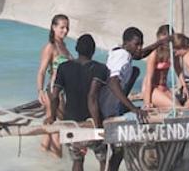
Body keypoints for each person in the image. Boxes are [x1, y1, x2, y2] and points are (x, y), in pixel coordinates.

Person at [100, 26, 171, 171]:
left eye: (141, 44)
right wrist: (133, 108)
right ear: (126, 43)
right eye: (137, 44)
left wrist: (159, 43)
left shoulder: (120, 50)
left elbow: (139, 55)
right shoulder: (123, 56)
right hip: (109, 106)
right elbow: (113, 83)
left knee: (136, 70)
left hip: (110, 102)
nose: (140, 48)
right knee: (117, 150)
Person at [45, 34, 108, 171]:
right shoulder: (100, 68)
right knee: (103, 160)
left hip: (71, 124)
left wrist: (52, 117)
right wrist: (98, 126)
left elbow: (55, 95)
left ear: (76, 49)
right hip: (92, 123)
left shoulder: (63, 67)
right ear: (93, 50)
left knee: (77, 159)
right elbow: (92, 97)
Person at [36, 14, 73, 157]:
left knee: (49, 126)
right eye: (62, 27)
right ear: (53, 27)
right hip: (54, 91)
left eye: (67, 28)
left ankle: (44, 162)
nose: (65, 31)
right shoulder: (50, 47)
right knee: (58, 128)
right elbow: (41, 72)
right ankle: (57, 163)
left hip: (61, 91)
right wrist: (40, 91)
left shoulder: (63, 46)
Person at [141, 24, 178, 109]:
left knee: (179, 106)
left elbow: (178, 69)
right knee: (175, 107)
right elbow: (149, 80)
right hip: (152, 88)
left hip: (163, 87)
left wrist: (183, 84)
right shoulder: (154, 54)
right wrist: (147, 102)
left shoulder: (171, 53)